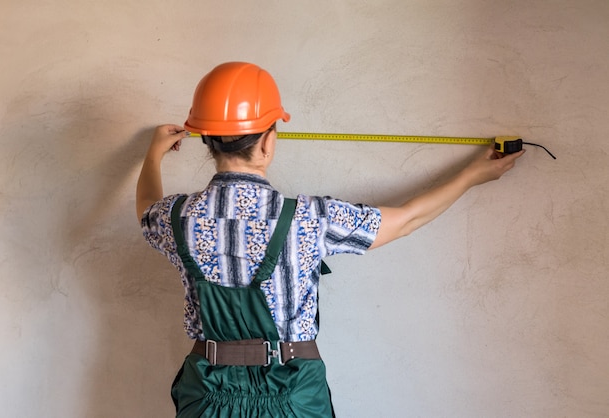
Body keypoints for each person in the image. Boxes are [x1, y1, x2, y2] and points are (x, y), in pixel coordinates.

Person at [136, 62, 524, 417]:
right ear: (268, 141)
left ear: (207, 140)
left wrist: (153, 155)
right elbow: (407, 219)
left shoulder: (175, 217)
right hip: (292, 394)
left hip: (207, 395)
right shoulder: (309, 218)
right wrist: (473, 175)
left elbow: (144, 208)